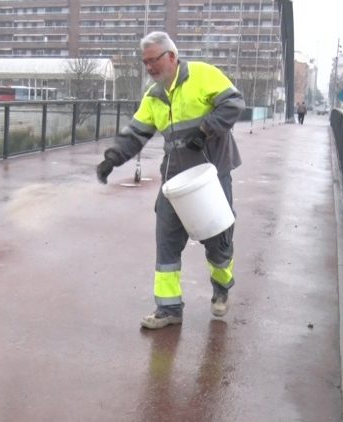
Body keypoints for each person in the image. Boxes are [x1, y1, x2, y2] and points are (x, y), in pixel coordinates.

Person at [95, 31, 245, 329]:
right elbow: (136, 133)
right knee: (166, 240)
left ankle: (222, 287)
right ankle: (169, 309)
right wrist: (112, 159)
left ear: (172, 57)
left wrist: (204, 131)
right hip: (175, 176)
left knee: (217, 241)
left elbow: (234, 103)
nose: (149, 67)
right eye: (145, 62)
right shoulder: (154, 96)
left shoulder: (203, 75)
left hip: (210, 173)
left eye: (153, 60)